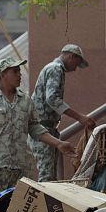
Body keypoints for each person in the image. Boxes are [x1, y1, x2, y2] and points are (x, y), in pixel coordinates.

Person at [0, 57, 77, 206]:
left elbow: (35, 128)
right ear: (2, 75)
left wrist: (58, 143)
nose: (19, 74)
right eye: (15, 71)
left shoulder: (26, 100)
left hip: (21, 170)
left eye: (19, 71)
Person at [30, 44, 96, 181]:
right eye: (76, 64)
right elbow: (52, 99)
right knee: (47, 176)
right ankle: (45, 202)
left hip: (48, 128)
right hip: (42, 128)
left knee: (49, 175)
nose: (75, 68)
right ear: (72, 56)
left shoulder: (54, 68)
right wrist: (80, 118)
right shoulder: (55, 69)